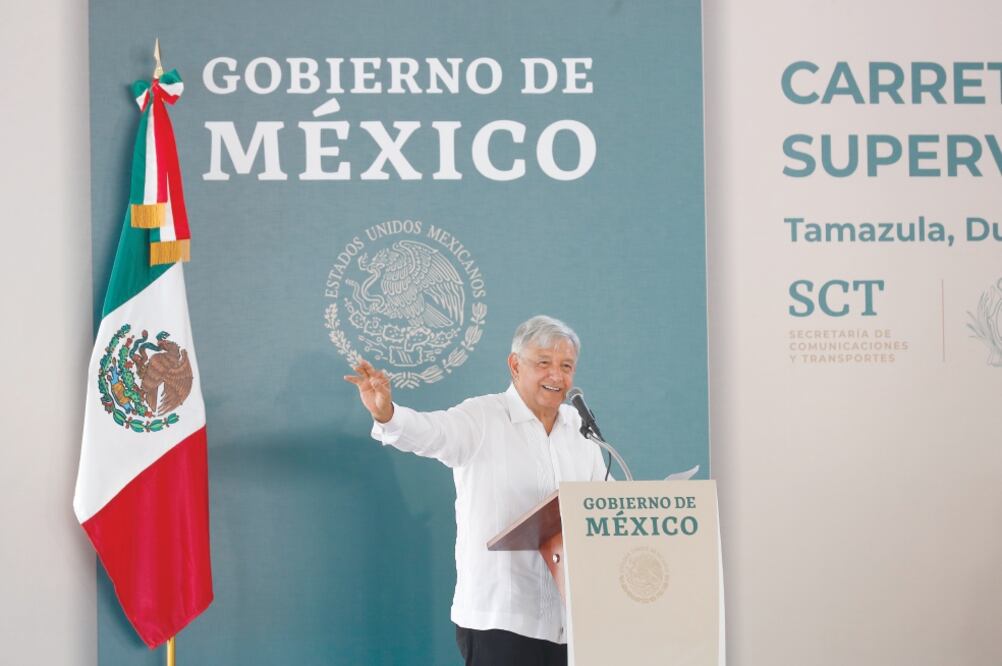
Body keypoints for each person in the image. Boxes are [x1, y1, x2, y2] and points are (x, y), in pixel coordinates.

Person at [344, 315, 608, 666]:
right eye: (544, 363)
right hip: (500, 620)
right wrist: (387, 414)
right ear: (515, 365)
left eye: (566, 366)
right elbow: (430, 432)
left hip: (569, 623)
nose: (556, 376)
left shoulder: (580, 427)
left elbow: (602, 505)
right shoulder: (482, 417)